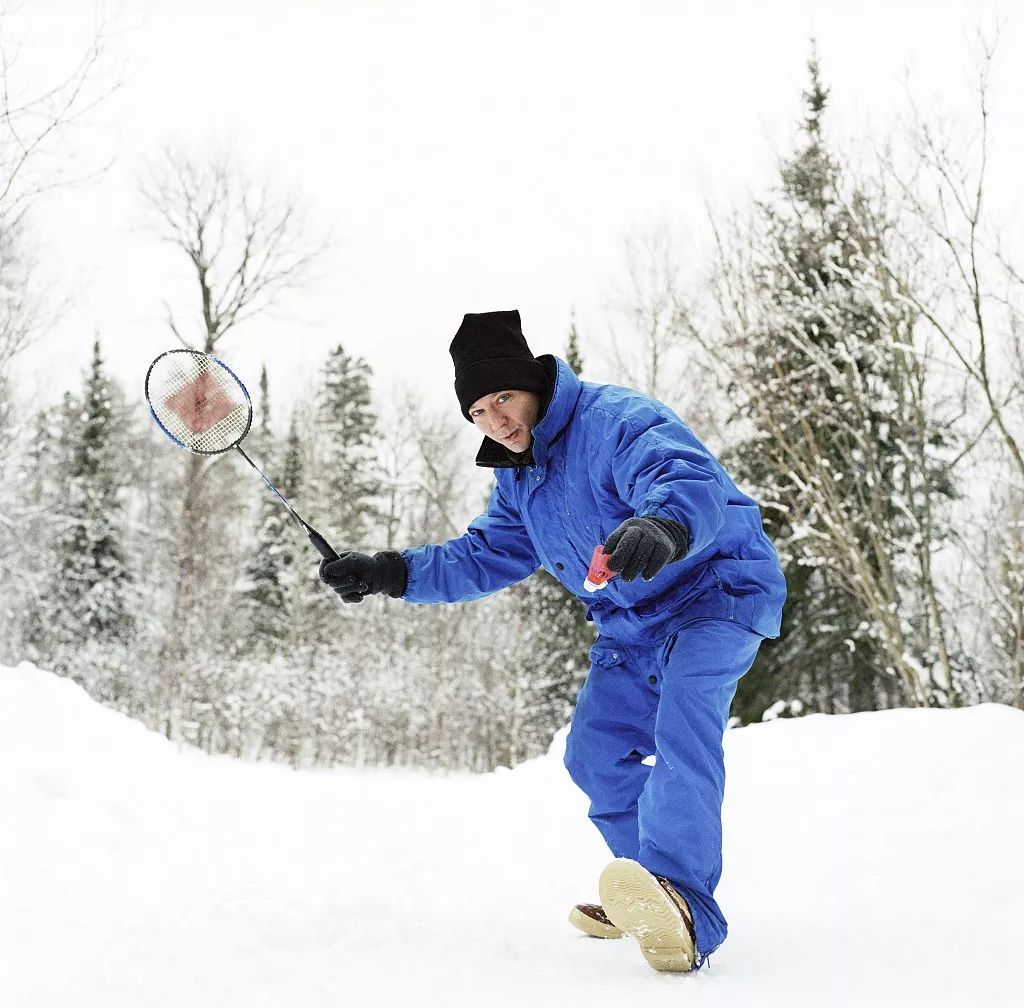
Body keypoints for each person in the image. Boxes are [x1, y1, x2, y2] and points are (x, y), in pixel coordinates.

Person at [318, 309, 786, 973]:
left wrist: (665, 525)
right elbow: (485, 554)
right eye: (478, 411)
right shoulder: (519, 476)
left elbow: (685, 476)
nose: (497, 421)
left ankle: (687, 905)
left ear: (533, 383)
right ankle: (649, 885)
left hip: (716, 590)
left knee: (683, 728)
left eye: (503, 397)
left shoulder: (614, 418)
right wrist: (392, 571)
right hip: (635, 620)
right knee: (593, 755)